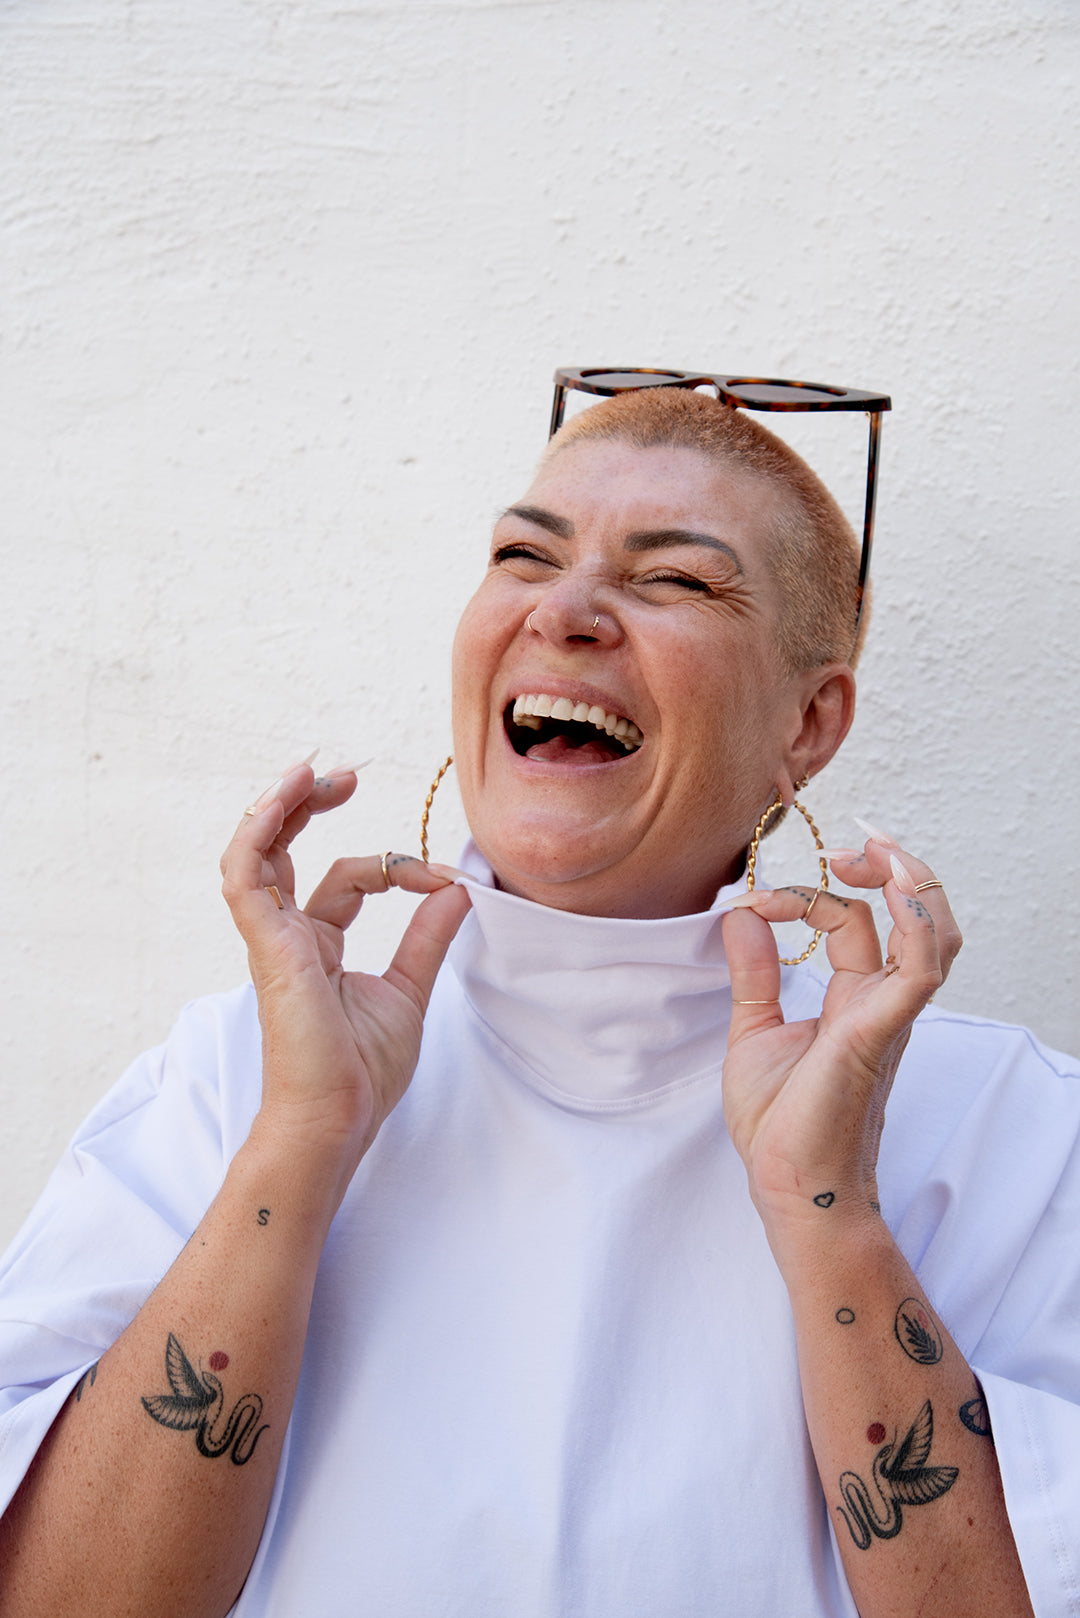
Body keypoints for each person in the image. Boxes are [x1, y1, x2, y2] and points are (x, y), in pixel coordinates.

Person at [0, 379, 1077, 1618]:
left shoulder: (1013, 1125)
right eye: (525, 555)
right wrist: (300, 1144)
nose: (564, 611)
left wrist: (826, 1207)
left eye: (674, 580)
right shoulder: (227, 1079)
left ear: (809, 721)